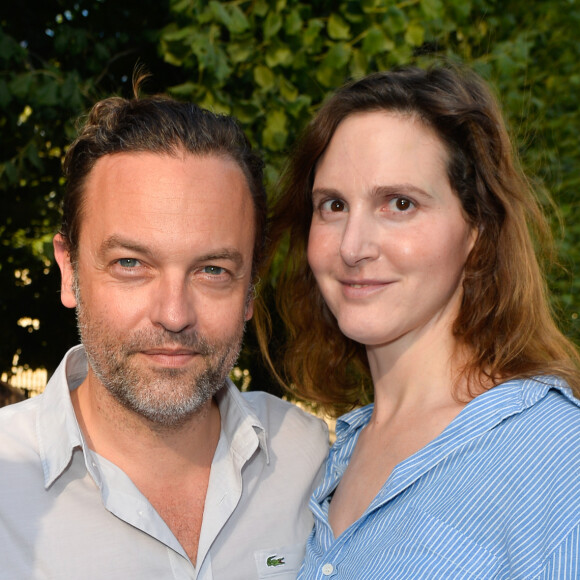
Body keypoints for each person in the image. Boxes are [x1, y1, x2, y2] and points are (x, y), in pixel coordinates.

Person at [258, 64, 580, 578]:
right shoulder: (325, 461)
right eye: (333, 205)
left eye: (400, 204)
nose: (353, 246)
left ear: (476, 229)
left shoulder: (559, 458)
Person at [0, 84, 328, 580]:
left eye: (213, 270)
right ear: (69, 271)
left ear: (250, 289)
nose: (174, 315)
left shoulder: (309, 460)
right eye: (131, 263)